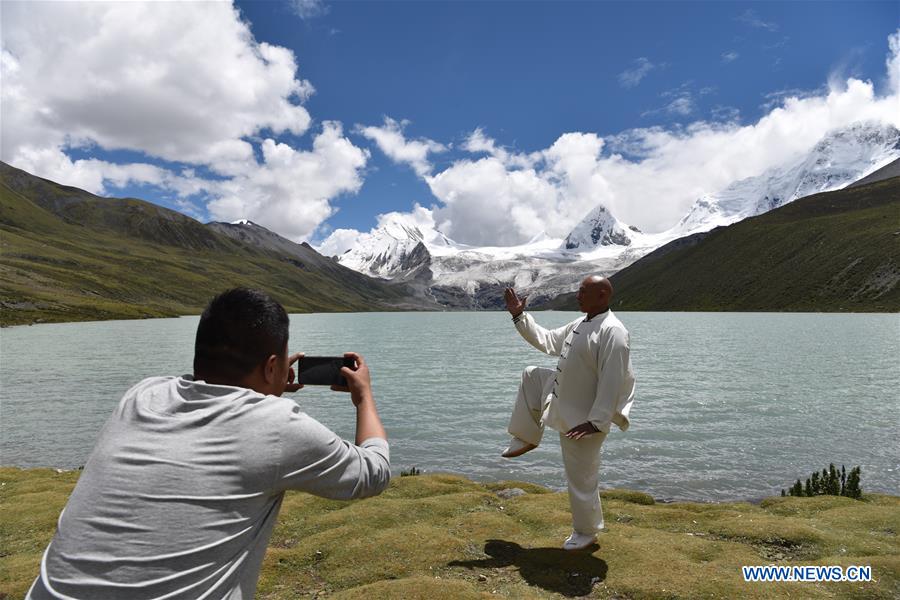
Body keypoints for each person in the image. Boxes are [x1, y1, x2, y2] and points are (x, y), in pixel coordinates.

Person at [27, 288, 390, 599]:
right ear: (271, 366)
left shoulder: (142, 394)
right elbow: (373, 472)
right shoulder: (277, 425)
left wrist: (270, 380)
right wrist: (364, 397)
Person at [501, 276, 635, 551]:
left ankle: (586, 533)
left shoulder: (614, 331)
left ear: (602, 295)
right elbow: (549, 341)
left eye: (583, 292)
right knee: (532, 375)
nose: (577, 296)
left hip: (586, 419)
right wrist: (519, 315)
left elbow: (614, 380)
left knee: (581, 477)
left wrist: (596, 423)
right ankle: (526, 437)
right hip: (569, 403)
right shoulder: (581, 323)